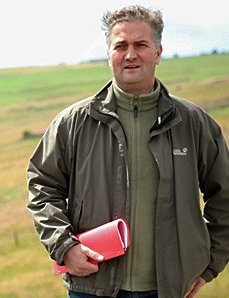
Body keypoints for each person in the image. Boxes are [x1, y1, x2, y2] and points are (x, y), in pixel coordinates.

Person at [27, 5, 229, 298]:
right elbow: (41, 188)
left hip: (170, 289)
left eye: (141, 45)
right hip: (92, 288)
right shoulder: (73, 122)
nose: (130, 54)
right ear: (109, 54)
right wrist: (64, 246)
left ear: (158, 53)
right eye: (120, 45)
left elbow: (224, 195)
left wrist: (209, 265)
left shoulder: (194, 123)